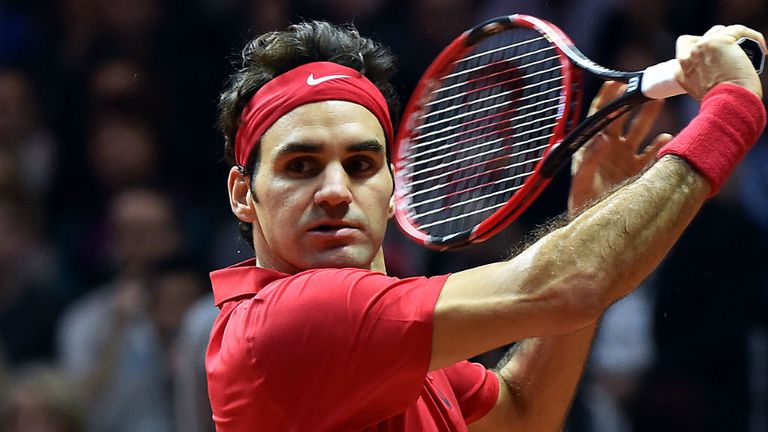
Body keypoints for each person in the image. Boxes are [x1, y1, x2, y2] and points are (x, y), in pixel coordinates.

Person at [206, 20, 766, 431]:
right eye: (300, 166)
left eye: (361, 165)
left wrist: (586, 215)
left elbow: (523, 414)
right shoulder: (281, 326)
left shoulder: (393, 345)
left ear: (393, 187)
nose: (335, 190)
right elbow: (565, 285)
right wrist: (731, 111)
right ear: (242, 195)